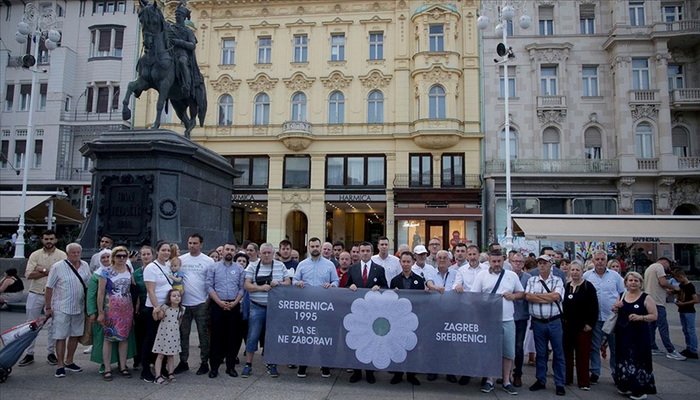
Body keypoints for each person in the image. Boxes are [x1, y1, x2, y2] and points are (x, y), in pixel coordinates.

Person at [472, 250, 524, 395]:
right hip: (489, 320)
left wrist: (512, 296)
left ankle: (506, 380)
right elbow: (474, 297)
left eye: (499, 261)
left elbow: (521, 293)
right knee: (490, 351)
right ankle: (490, 379)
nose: (496, 264)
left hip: (507, 319)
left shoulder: (511, 275)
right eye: (493, 261)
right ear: (489, 260)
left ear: (503, 260)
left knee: (508, 352)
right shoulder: (482, 275)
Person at [242, 243, 290, 378]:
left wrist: (279, 283)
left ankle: (271, 362)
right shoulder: (252, 266)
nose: (267, 255)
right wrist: (260, 288)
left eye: (269, 252)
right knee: (253, 335)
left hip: (275, 308)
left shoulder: (280, 266)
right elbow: (246, 285)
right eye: (264, 253)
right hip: (257, 306)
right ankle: (248, 364)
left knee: (273, 336)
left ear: (273, 253)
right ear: (259, 253)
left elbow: (288, 282)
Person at [293, 237, 339, 379]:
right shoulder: (302, 264)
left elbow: (336, 280)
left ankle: (325, 367)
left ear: (320, 247)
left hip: (324, 307)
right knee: (306, 338)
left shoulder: (329, 264)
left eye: (317, 246)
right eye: (312, 246)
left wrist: (332, 285)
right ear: (308, 247)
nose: (315, 248)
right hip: (307, 308)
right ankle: (303, 366)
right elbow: (294, 280)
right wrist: (298, 283)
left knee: (324, 337)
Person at [19, 229, 66, 367]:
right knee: (30, 324)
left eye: (51, 239)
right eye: (46, 239)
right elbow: (28, 275)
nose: (49, 241)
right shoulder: (35, 255)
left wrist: (42, 270)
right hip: (35, 292)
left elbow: (61, 275)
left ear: (56, 240)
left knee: (53, 325)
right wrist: (49, 271)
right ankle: (29, 353)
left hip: (54, 295)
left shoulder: (62, 255)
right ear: (42, 240)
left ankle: (51, 353)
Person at [45, 242, 91, 378]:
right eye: (73, 253)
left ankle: (69, 360)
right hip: (61, 307)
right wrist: (48, 307)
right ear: (67, 254)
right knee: (60, 336)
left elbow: (88, 283)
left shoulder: (85, 265)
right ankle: (60, 364)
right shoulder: (57, 267)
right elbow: (49, 287)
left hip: (79, 306)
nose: (76, 255)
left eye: (78, 253)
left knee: (75, 335)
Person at [345, 241, 388, 384]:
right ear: (358, 252)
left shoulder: (379, 269)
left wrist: (379, 287)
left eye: (367, 251)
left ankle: (370, 372)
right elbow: (346, 286)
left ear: (371, 252)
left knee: (371, 342)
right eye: (362, 251)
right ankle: (357, 371)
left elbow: (386, 287)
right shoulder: (353, 268)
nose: (364, 253)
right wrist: (350, 287)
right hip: (357, 312)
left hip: (373, 313)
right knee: (357, 341)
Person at [174, 234, 215, 375]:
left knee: (203, 334)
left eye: (195, 243)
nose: (192, 245)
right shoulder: (181, 260)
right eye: (190, 242)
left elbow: (211, 281)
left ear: (201, 244)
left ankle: (204, 362)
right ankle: (183, 361)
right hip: (184, 303)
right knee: (183, 334)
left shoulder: (208, 261)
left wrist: (208, 300)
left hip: (201, 303)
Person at [613, 272, 658, 400]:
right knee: (624, 358)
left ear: (640, 283)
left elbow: (654, 315)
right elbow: (615, 310)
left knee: (639, 359)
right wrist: (615, 307)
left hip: (639, 334)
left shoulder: (646, 297)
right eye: (630, 280)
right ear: (626, 283)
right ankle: (625, 384)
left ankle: (640, 389)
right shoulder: (622, 295)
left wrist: (641, 317)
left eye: (636, 281)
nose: (633, 283)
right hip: (623, 333)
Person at [583, 249, 625, 384]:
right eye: (597, 259)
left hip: (612, 317)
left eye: (602, 259)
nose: (600, 262)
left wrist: (619, 303)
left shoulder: (615, 276)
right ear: (593, 261)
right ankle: (595, 372)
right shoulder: (587, 276)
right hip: (594, 318)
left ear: (606, 261)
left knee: (615, 348)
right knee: (594, 347)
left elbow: (624, 292)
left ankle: (616, 372)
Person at [526, 255, 566, 396]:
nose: (541, 266)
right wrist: (546, 297)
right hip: (538, 322)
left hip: (554, 321)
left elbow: (556, 297)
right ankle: (540, 380)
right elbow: (528, 297)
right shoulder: (532, 280)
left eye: (544, 263)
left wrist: (538, 296)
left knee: (558, 353)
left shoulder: (558, 280)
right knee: (540, 353)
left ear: (551, 265)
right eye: (540, 263)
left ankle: (560, 383)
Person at [206, 243, 245, 378]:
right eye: (227, 249)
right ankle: (214, 368)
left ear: (235, 252)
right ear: (222, 252)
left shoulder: (239, 269)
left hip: (234, 305)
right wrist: (219, 302)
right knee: (216, 337)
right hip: (217, 305)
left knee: (232, 338)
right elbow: (209, 286)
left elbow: (242, 288)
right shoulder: (214, 267)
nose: (229, 252)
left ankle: (230, 367)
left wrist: (235, 302)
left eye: (232, 250)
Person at [97, 246, 135, 381]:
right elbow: (100, 292)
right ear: (113, 257)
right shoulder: (105, 272)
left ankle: (123, 366)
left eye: (124, 256)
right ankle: (107, 368)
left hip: (126, 309)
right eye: (119, 256)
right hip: (110, 309)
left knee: (123, 338)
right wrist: (100, 312)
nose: (122, 258)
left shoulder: (129, 270)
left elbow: (132, 288)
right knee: (108, 339)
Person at [388, 251, 424, 386]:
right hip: (398, 320)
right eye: (403, 261)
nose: (406, 264)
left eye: (408, 262)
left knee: (412, 347)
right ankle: (398, 373)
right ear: (400, 262)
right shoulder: (395, 280)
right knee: (398, 346)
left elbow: (421, 301)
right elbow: (390, 301)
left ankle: (411, 374)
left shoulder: (419, 280)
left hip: (413, 319)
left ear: (413, 263)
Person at [140, 241, 173, 382]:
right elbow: (150, 290)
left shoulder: (169, 265)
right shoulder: (151, 268)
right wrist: (156, 308)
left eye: (168, 250)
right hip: (154, 309)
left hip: (167, 307)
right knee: (151, 338)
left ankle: (162, 367)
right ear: (157, 251)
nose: (166, 252)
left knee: (164, 339)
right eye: (163, 250)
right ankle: (145, 370)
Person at [563, 261, 598, 390]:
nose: (574, 272)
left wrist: (590, 323)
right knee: (567, 353)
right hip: (567, 326)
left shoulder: (588, 287)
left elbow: (594, 307)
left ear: (582, 271)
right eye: (572, 270)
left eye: (577, 270)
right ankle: (567, 378)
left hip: (583, 326)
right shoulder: (566, 287)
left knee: (583, 354)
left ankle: (584, 381)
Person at [644, 259, 685, 360]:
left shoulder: (649, 268)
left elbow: (655, 285)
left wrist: (666, 291)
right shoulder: (659, 267)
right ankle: (671, 350)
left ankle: (652, 346)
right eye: (668, 265)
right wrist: (674, 288)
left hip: (649, 301)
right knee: (663, 326)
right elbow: (663, 282)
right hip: (658, 302)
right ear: (664, 262)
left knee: (651, 326)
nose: (668, 268)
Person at [152, 289, 185, 385]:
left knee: (171, 355)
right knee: (161, 354)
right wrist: (155, 312)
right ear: (169, 298)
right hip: (164, 333)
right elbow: (157, 318)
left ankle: (170, 372)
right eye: (174, 296)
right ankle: (157, 375)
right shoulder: (165, 308)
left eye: (178, 295)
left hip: (174, 334)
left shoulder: (182, 309)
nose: (177, 297)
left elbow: (179, 321)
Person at [168, 3, 201, 96]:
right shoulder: (170, 28)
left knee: (182, 62)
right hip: (170, 52)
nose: (177, 17)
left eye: (179, 15)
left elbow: (192, 45)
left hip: (182, 53)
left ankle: (186, 85)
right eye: (176, 15)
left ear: (184, 17)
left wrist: (179, 42)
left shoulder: (188, 31)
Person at [510, 252, 530, 387]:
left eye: (520, 262)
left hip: (521, 316)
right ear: (510, 262)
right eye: (515, 261)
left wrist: (515, 295)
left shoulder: (529, 278)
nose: (518, 264)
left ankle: (518, 373)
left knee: (518, 347)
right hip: (506, 316)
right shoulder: (505, 276)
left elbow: (529, 294)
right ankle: (503, 372)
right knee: (505, 346)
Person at [132, 245, 154, 369]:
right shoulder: (136, 273)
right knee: (139, 335)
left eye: (148, 254)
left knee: (152, 335)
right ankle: (138, 359)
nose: (146, 256)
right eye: (143, 254)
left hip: (153, 307)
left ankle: (152, 359)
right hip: (140, 309)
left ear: (152, 255)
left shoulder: (157, 270)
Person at [672, 268, 698, 359]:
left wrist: (683, 303)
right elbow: (675, 292)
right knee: (686, 330)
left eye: (677, 279)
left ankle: (693, 350)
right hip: (682, 310)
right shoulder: (681, 285)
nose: (677, 281)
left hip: (689, 310)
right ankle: (689, 347)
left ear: (681, 277)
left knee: (690, 330)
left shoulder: (690, 286)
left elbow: (695, 300)